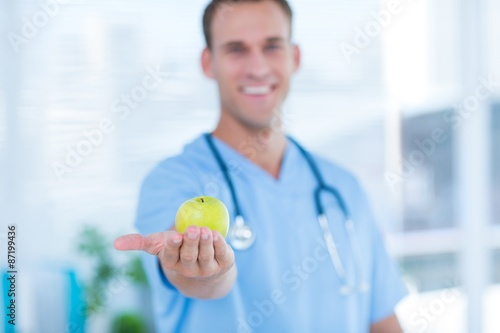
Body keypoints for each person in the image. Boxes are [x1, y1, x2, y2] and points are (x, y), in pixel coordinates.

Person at [114, 0, 408, 332]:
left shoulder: (343, 187)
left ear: (294, 57)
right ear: (208, 63)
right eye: (236, 49)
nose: (257, 67)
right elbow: (194, 277)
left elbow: (383, 319)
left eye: (271, 46)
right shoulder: (172, 181)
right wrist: (205, 267)